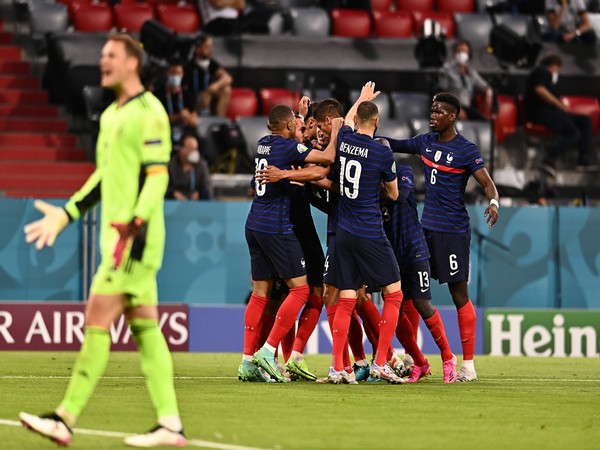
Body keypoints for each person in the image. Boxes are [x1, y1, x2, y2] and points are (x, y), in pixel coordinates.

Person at [19, 33, 186, 447]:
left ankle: (64, 417)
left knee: (96, 319)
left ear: (133, 63)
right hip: (120, 240)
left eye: (111, 55)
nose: (102, 62)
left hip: (133, 241)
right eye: (101, 56)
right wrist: (67, 213)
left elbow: (158, 177)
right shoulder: (111, 115)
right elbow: (103, 177)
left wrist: (134, 222)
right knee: (146, 328)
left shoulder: (150, 113)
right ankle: (170, 425)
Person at [384, 92, 499, 382]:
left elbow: (487, 183)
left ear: (452, 117)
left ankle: (468, 366)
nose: (432, 115)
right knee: (411, 291)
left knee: (458, 295)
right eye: (431, 110)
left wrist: (494, 202)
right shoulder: (425, 142)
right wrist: (365, 135)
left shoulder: (465, 149)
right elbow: (393, 144)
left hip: (453, 232)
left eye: (438, 112)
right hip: (425, 230)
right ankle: (412, 357)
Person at [239, 104, 337, 383]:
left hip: (254, 223)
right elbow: (324, 162)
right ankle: (269, 352)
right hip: (277, 227)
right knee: (301, 290)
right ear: (287, 127)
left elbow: (292, 153)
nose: (301, 127)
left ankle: (248, 360)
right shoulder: (286, 148)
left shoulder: (263, 144)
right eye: (297, 123)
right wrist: (340, 127)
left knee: (260, 292)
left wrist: (286, 172)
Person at [327, 82, 405, 385]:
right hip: (369, 230)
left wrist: (359, 99)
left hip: (342, 231)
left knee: (346, 297)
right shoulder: (382, 153)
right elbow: (395, 194)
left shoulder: (344, 140)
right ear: (377, 122)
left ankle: (338, 368)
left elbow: (344, 122)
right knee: (394, 293)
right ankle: (381, 361)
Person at [377, 142, 457, 383]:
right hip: (392, 253)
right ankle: (418, 361)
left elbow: (399, 198)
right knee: (396, 310)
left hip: (415, 250)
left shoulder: (404, 172)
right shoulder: (370, 181)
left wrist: (377, 186)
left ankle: (448, 357)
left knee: (423, 304)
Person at [524, 52, 598, 172]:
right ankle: (549, 158)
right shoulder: (542, 72)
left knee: (585, 121)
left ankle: (582, 160)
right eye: (557, 69)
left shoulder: (544, 74)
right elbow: (540, 90)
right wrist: (560, 105)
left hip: (553, 113)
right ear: (553, 66)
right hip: (542, 114)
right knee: (573, 133)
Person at [437, 40, 494, 121]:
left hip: (466, 107)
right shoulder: (446, 70)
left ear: (468, 54)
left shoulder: (471, 72)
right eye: (458, 51)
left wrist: (488, 94)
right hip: (450, 107)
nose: (461, 54)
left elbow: (485, 86)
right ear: (454, 53)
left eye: (464, 51)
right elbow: (441, 93)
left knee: (484, 122)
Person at [184, 34, 233, 117]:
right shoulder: (189, 66)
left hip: (208, 94)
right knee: (204, 96)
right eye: (207, 47)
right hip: (193, 99)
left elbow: (228, 78)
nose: (210, 50)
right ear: (197, 49)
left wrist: (215, 86)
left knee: (226, 90)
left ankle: (219, 120)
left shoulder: (211, 64)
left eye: (211, 47)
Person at [153, 59, 198, 144]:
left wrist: (187, 117)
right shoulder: (158, 94)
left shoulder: (187, 94)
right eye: (172, 73)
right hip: (163, 131)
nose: (175, 76)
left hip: (183, 133)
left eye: (178, 73)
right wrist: (178, 116)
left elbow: (194, 121)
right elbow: (156, 119)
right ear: (167, 73)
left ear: (182, 75)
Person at [167, 133, 214, 201]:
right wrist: (173, 193)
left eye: (196, 149)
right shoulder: (171, 165)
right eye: (191, 149)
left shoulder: (201, 165)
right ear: (182, 150)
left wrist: (199, 194)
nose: (194, 153)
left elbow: (208, 188)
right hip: (173, 203)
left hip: (196, 204)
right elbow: (163, 188)